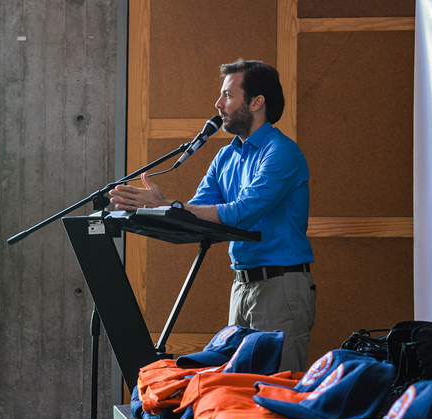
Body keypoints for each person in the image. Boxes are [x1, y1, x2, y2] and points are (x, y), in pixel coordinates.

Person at [109, 59, 316, 372]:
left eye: (228, 96)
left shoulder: (281, 152)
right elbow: (196, 213)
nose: (218, 104)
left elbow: (242, 213)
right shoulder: (226, 155)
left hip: (281, 285)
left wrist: (168, 204)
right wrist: (158, 208)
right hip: (242, 284)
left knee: (275, 390)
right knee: (236, 390)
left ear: (257, 102)